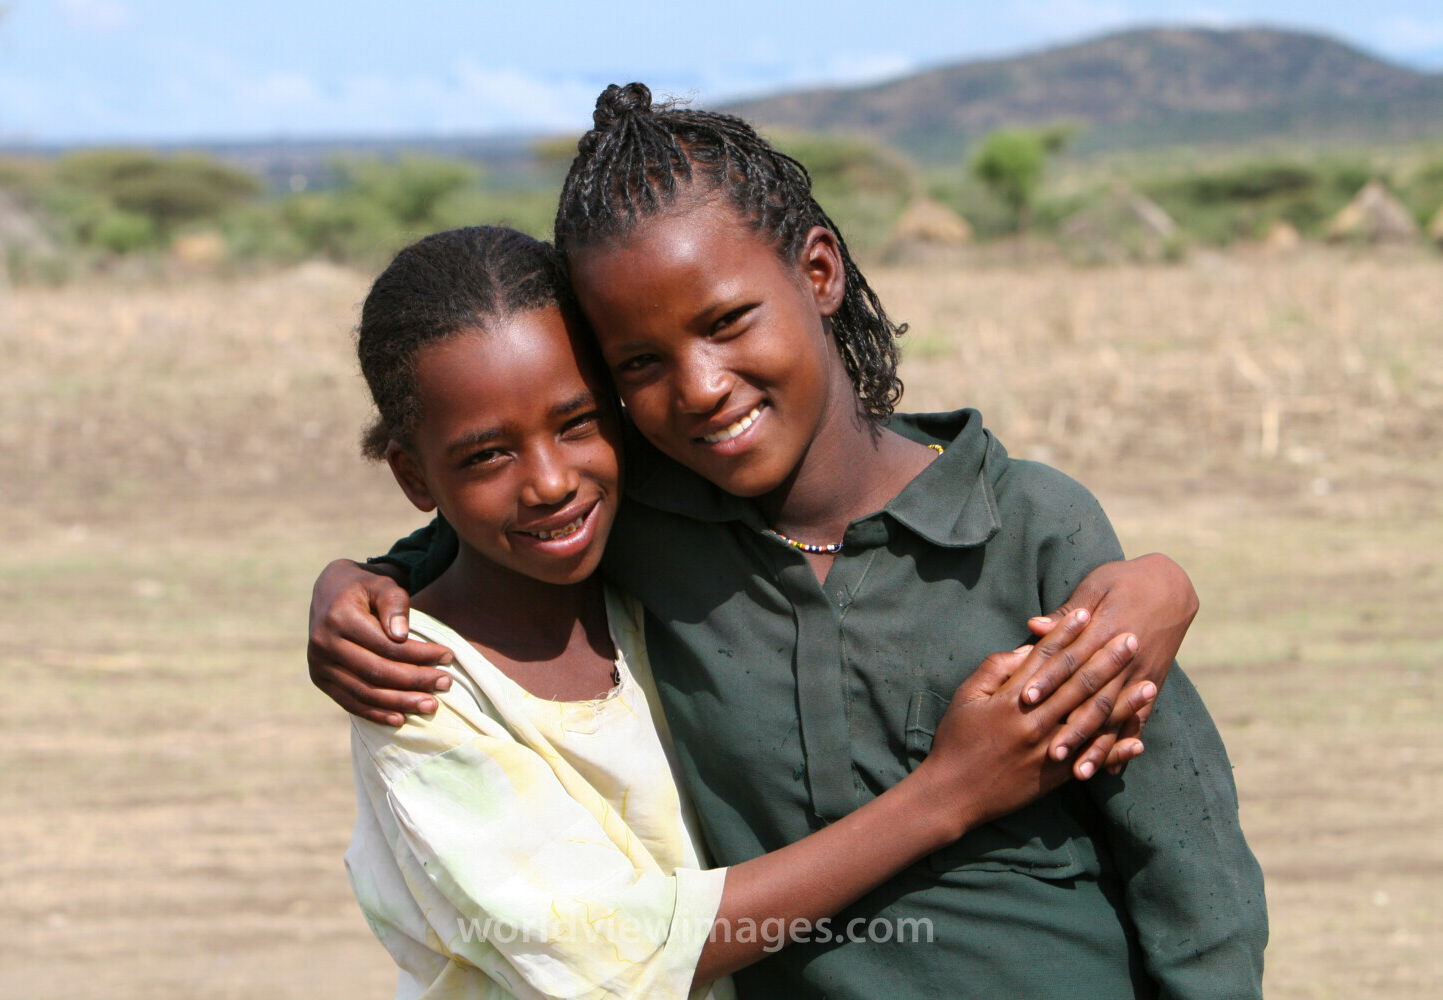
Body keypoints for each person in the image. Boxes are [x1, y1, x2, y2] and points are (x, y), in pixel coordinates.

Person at [315, 85, 1266, 1000]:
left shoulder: (1028, 527)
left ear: (819, 272)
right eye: (639, 362)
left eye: (728, 323)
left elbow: (1189, 860)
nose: (700, 387)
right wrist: (362, 582)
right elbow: (507, 525)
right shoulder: (656, 522)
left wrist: (1161, 579)